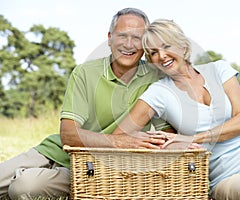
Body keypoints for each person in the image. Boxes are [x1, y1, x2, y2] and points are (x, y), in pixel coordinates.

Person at [112, 19, 240, 200]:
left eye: (167, 46)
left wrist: (192, 139)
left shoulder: (218, 69)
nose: (161, 56)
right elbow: (119, 135)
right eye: (153, 52)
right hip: (225, 175)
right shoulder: (158, 93)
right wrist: (154, 143)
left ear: (183, 47)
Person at [0, 8, 174, 200]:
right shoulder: (85, 72)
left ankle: (25, 178)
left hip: (90, 169)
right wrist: (121, 141)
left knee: (23, 187)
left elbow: (166, 136)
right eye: (122, 36)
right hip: (54, 152)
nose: (128, 44)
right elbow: (68, 135)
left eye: (137, 37)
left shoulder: (156, 80)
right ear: (109, 38)